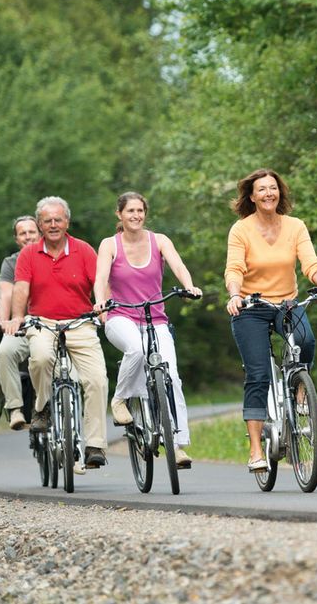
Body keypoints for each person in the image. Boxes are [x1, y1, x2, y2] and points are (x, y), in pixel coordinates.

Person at [224, 168, 317, 473]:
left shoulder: (295, 226)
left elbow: (310, 262)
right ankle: (254, 451)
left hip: (286, 303)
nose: (268, 194)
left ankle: (300, 392)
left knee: (306, 340)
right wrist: (235, 295)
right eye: (261, 189)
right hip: (251, 306)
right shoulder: (241, 230)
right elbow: (234, 268)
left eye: (273, 188)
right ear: (252, 196)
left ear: (280, 193)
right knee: (259, 374)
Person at [93, 192, 202, 469]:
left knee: (172, 377)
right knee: (137, 350)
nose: (136, 215)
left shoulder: (160, 240)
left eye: (140, 211)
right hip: (121, 317)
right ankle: (119, 401)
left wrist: (188, 285)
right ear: (119, 214)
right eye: (130, 211)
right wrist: (100, 301)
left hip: (156, 319)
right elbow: (101, 278)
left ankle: (177, 445)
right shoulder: (110, 244)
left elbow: (178, 265)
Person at [2, 196, 109, 469]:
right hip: (43, 322)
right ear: (40, 224)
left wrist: (101, 306)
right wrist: (17, 318)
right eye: (47, 220)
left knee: (96, 379)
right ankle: (42, 407)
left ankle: (95, 444)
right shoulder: (28, 254)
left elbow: (99, 283)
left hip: (80, 322)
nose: (53, 225)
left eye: (57, 219)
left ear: (67, 222)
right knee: (38, 358)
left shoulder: (83, 250)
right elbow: (21, 288)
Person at [0, 215, 40, 430]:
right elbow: (6, 294)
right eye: (22, 233)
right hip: (20, 324)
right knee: (5, 352)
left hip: (50, 322)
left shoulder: (50, 256)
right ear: (16, 239)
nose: (28, 237)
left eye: (32, 232)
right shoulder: (10, 263)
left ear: (39, 233)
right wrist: (4, 320)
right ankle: (15, 408)